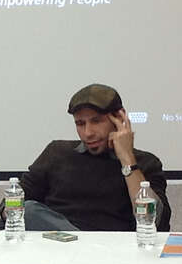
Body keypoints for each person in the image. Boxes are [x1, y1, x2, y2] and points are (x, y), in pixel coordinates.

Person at [11, 83, 170, 231]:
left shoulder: (146, 163)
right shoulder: (57, 153)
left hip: (111, 252)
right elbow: (13, 202)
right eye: (80, 123)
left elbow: (156, 223)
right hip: (57, 246)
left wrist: (127, 160)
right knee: (27, 210)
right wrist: (9, 212)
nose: (88, 133)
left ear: (119, 120)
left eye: (96, 121)